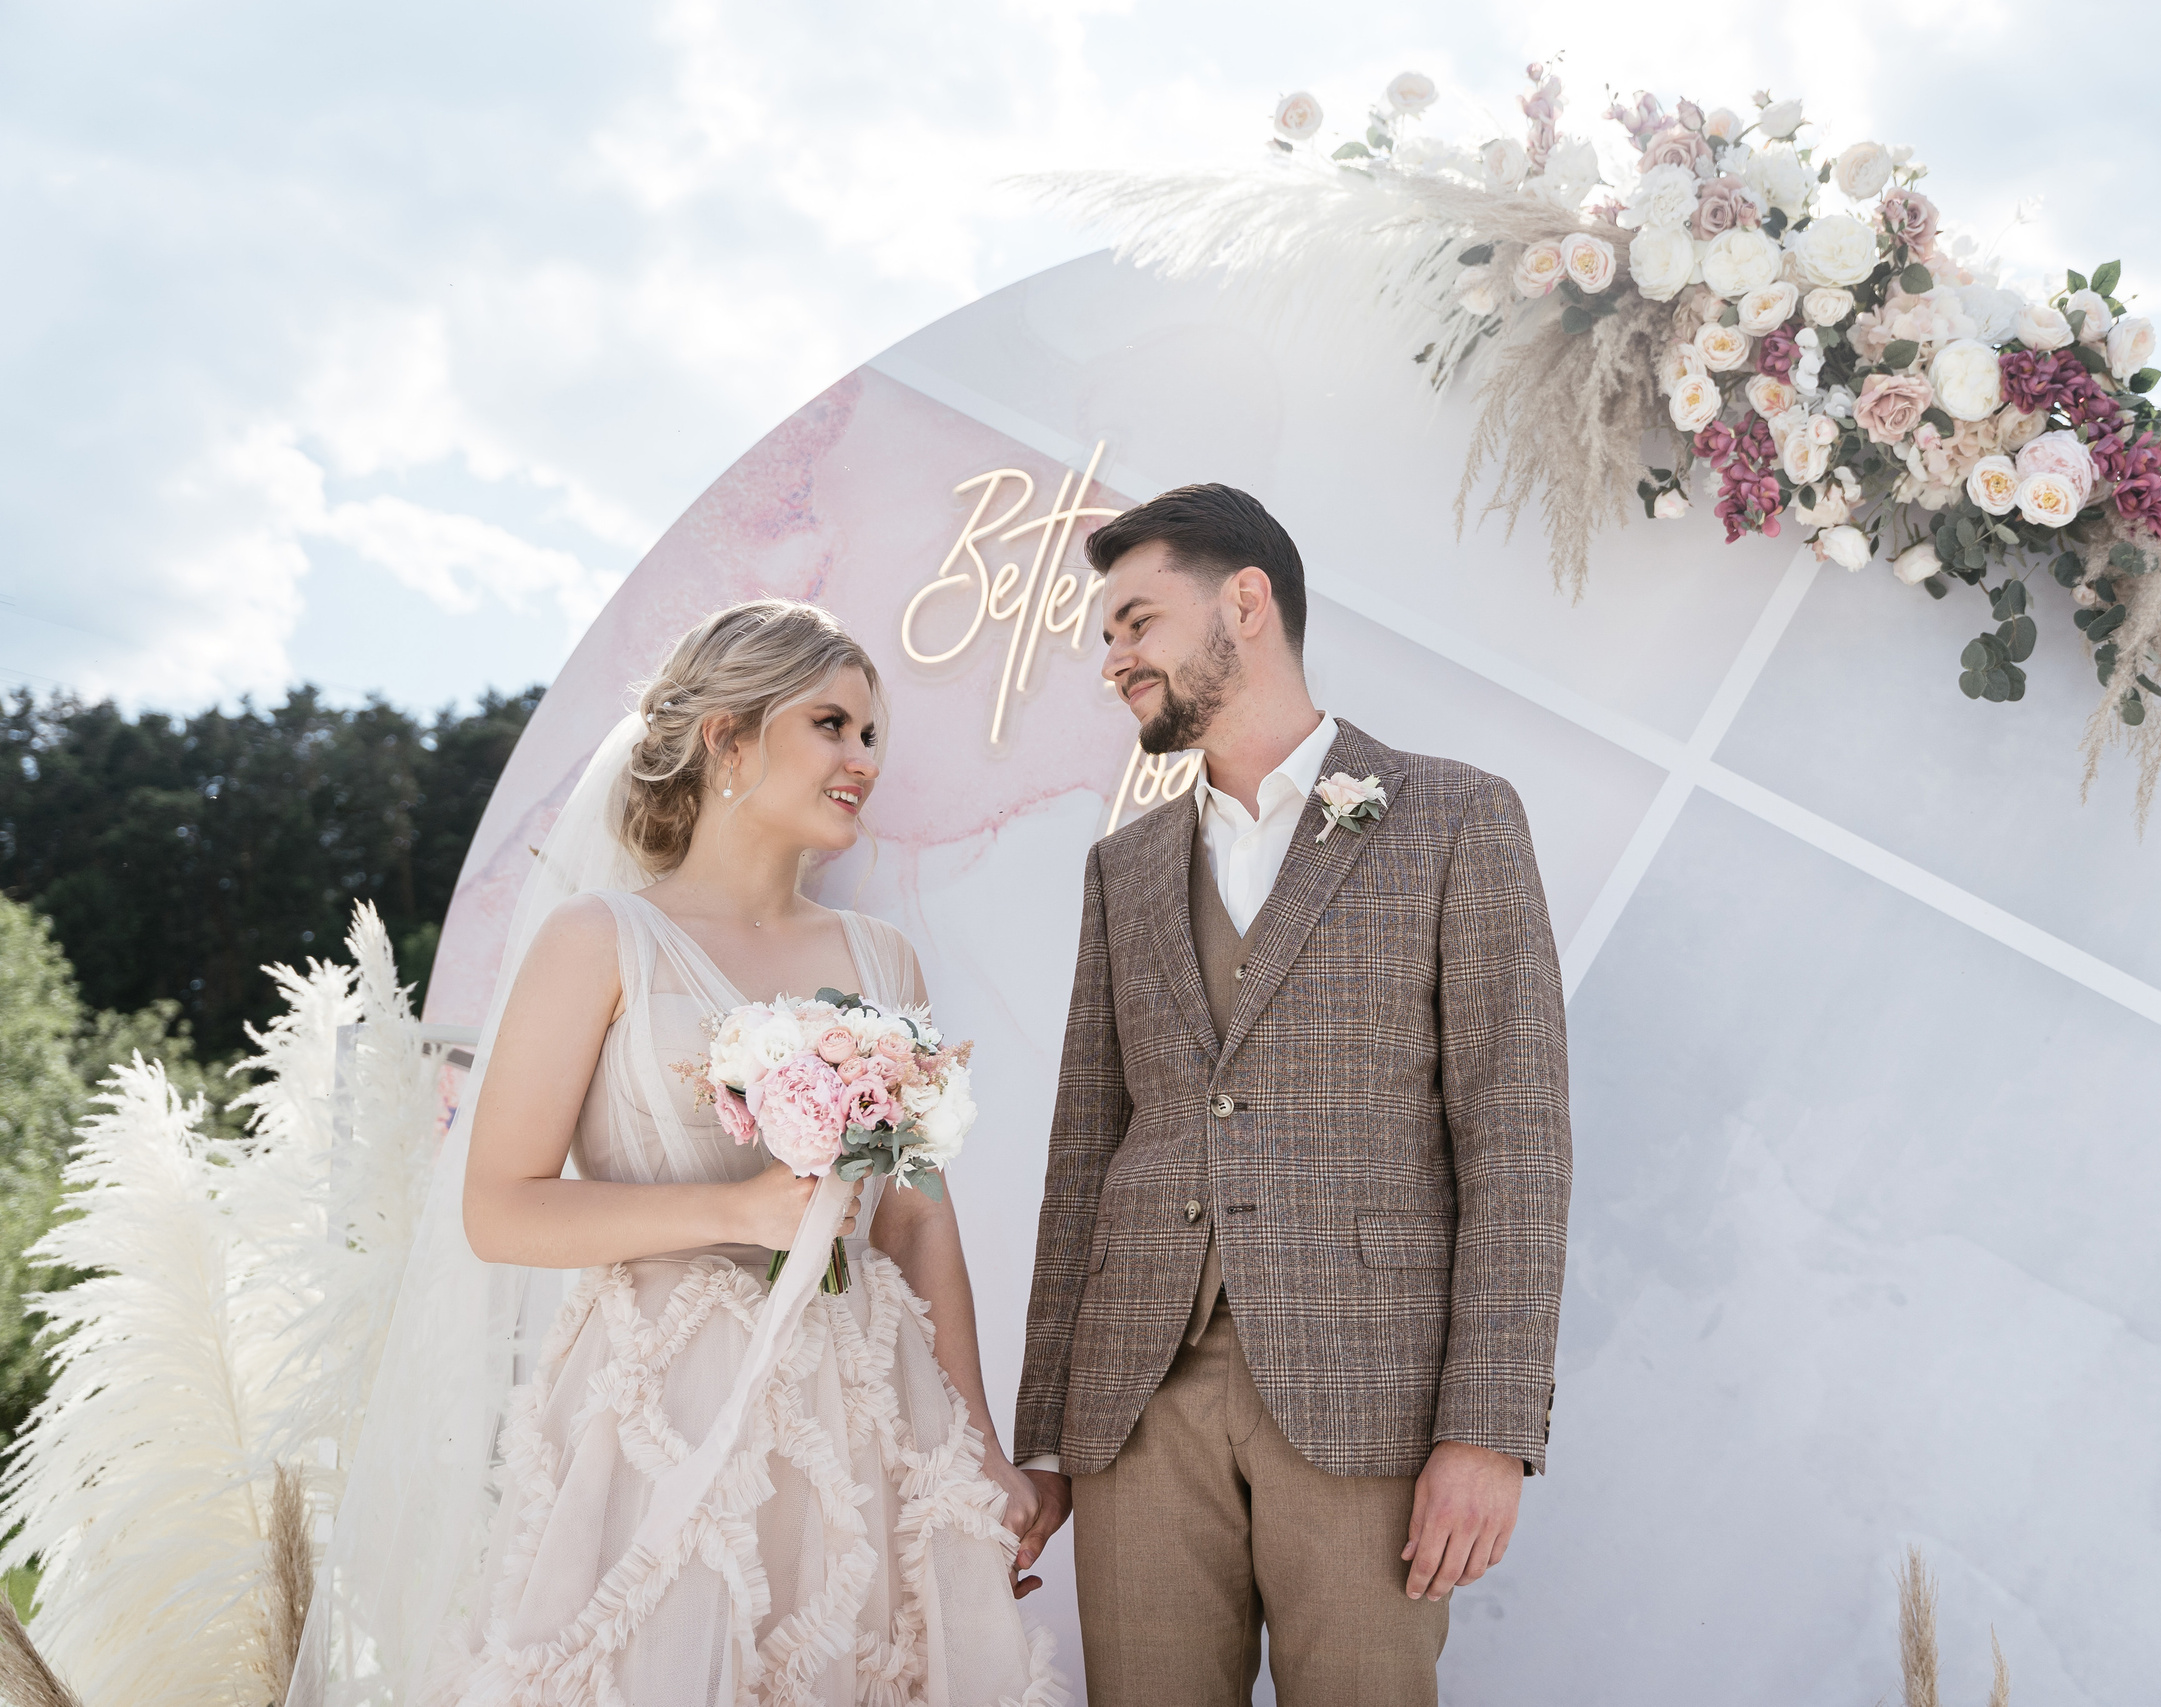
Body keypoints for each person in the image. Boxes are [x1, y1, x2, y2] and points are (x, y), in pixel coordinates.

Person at [289, 601, 1063, 1707]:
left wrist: (979, 1445)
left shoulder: (883, 962)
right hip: (659, 1414)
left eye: (873, 736)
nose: (863, 760)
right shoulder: (601, 940)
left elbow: (915, 1215)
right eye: (833, 725)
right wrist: (739, 1211)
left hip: (866, 1408)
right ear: (728, 738)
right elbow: (499, 1210)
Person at [1011, 485, 1573, 1705]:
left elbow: (1516, 1143)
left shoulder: (1458, 817)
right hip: (1135, 1403)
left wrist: (1489, 1431)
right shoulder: (1126, 868)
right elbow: (1081, 1158)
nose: (1114, 660)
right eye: (1107, 635)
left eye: (1136, 622)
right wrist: (1047, 1438)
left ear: (1246, 604)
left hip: (1366, 1396)